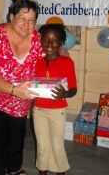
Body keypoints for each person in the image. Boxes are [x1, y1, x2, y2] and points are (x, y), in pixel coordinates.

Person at [0, 0, 45, 175]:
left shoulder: (36, 39)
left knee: (16, 135)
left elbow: (44, 66)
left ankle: (14, 168)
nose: (27, 24)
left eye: (31, 20)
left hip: (20, 99)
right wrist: (14, 90)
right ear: (11, 17)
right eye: (22, 18)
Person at [33, 24, 77, 175]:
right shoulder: (36, 61)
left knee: (57, 145)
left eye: (54, 40)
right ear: (41, 41)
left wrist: (64, 94)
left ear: (61, 42)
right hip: (38, 110)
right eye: (46, 39)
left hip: (57, 112)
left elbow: (73, 89)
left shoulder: (66, 62)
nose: (50, 44)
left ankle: (61, 173)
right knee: (42, 145)